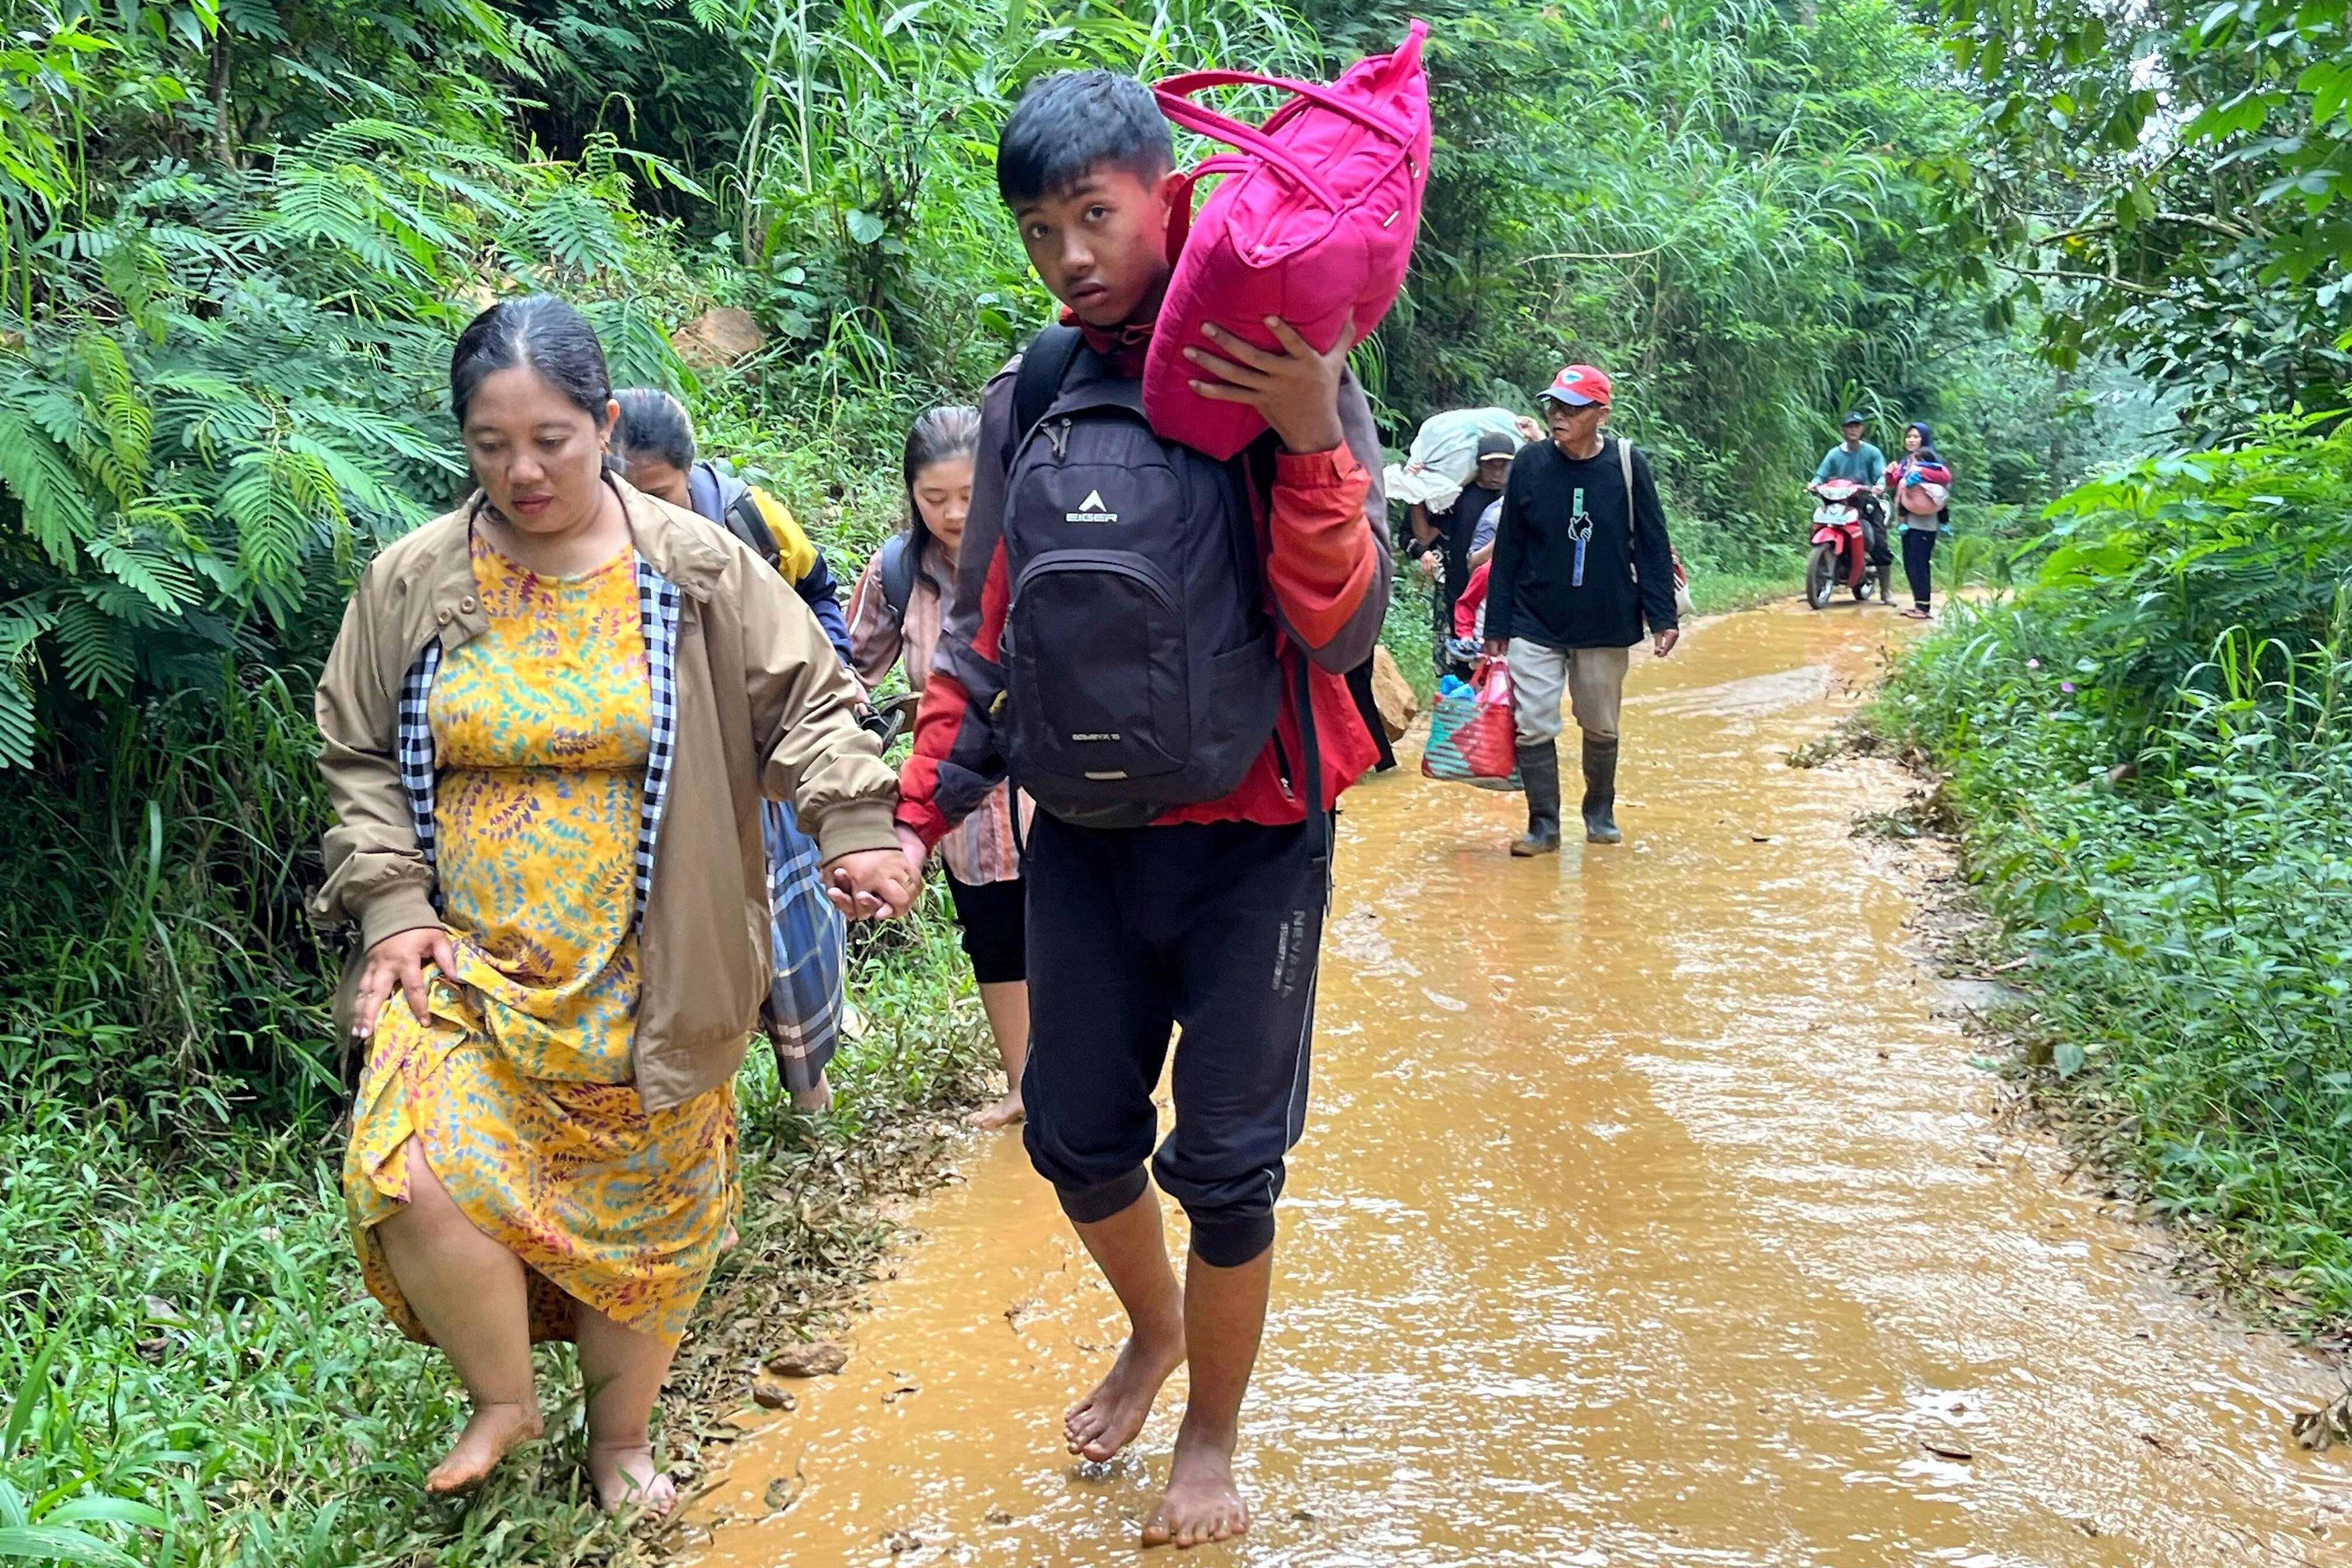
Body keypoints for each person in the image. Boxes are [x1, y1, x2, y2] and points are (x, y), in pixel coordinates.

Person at [310, 296, 916, 1514]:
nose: (522, 471)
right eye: (491, 445)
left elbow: (809, 703)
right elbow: (358, 749)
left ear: (603, 423)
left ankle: (619, 1439)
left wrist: (855, 828)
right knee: (407, 1161)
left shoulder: (697, 568)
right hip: (470, 966)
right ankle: (503, 1395)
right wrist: (392, 904)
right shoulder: (414, 579)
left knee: (646, 1217)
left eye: (550, 440)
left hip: (657, 960)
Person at [891, 71, 1390, 1548]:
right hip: (1088, 834)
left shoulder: (1278, 355)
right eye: (1039, 232)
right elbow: (985, 630)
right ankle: (1155, 1328)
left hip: (1256, 837)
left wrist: (1308, 432)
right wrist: (917, 822)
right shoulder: (1035, 391)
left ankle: (1211, 1439)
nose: (1070, 257)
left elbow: (1346, 631)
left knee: (1228, 1168)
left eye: (1094, 217)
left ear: (1168, 195)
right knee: (1074, 1134)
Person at [612, 387, 856, 1114]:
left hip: (762, 755)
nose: (643, 513)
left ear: (689, 473)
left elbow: (818, 591)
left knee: (791, 919)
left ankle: (810, 1083)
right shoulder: (589, 547)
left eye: (659, 494)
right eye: (625, 495)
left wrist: (833, 673)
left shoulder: (749, 519)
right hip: (666, 773)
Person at [846, 406, 1035, 1131]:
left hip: (1055, 797)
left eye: (968, 495)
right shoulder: (899, 574)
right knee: (995, 941)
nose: (954, 514)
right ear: (912, 496)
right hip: (961, 805)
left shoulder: (1037, 548)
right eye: (935, 498)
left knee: (1079, 938)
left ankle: (1093, 1088)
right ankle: (1025, 1087)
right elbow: (849, 671)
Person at [1482, 364, 1680, 854]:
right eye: (1554, 406)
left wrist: (1663, 617)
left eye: (1571, 408)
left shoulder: (1627, 465)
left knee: (1601, 723)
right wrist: (1497, 623)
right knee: (1533, 721)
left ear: (1601, 414)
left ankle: (1600, 811)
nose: (1558, 415)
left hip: (1605, 618)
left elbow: (1652, 543)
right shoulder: (1530, 463)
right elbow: (1509, 547)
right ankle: (1543, 825)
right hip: (1535, 617)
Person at [1405, 429, 1516, 676]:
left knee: (1502, 670)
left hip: (1503, 597)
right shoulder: (1457, 496)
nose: (1498, 473)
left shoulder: (1515, 497)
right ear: (1479, 465)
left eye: (1504, 466)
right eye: (1491, 466)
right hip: (1461, 592)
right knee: (1463, 668)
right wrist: (1415, 491)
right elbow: (1424, 536)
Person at [1887, 421, 1955, 619]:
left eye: (1916, 436)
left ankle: (1924, 608)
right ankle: (1919, 605)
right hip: (1909, 520)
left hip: (1926, 522)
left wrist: (1917, 471)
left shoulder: (1932, 460)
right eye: (1909, 436)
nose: (1911, 440)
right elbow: (1894, 483)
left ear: (1924, 439)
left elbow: (1945, 478)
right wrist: (1891, 472)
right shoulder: (1907, 461)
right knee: (1910, 562)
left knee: (1919, 562)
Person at [1813, 411, 1889, 570]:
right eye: (1850, 426)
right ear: (1842, 429)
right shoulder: (1834, 454)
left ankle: (1882, 577)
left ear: (1862, 429)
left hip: (1865, 500)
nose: (1853, 430)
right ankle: (1822, 566)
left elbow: (1881, 475)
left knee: (1879, 538)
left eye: (1857, 426)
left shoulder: (1872, 453)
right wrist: (1814, 484)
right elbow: (1821, 475)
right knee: (1816, 525)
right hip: (1838, 500)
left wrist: (1879, 486)